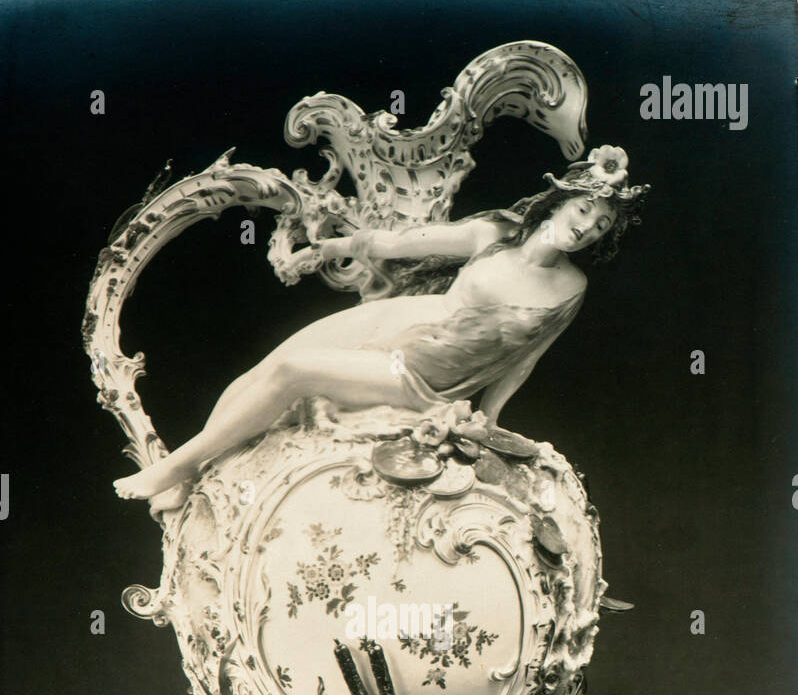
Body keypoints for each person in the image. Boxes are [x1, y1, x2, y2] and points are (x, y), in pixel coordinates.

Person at [113, 146, 647, 511]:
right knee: (263, 369)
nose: (586, 228)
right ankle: (184, 483)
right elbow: (397, 244)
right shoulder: (496, 234)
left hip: (418, 374)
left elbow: (526, 357)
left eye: (600, 225)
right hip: (399, 320)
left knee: (293, 374)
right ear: (560, 200)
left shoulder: (570, 288)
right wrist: (326, 249)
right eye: (584, 210)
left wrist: (487, 418)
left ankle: (170, 468)